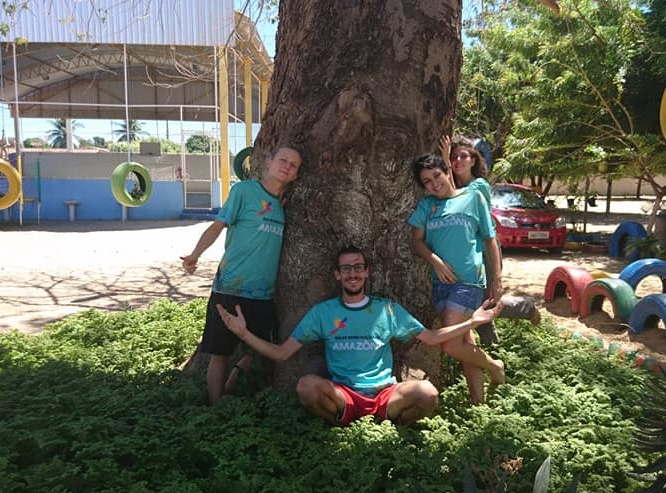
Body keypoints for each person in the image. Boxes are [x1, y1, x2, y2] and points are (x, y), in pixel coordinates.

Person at [216, 246, 504, 426]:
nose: (352, 273)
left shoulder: (386, 310)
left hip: (385, 394)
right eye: (346, 268)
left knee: (427, 394)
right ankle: (343, 425)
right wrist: (243, 333)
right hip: (343, 394)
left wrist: (472, 322)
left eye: (358, 267)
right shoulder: (323, 312)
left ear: (366, 272)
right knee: (306, 387)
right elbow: (281, 353)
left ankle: (390, 426)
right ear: (337, 275)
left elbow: (430, 337)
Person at [181, 144, 302, 404]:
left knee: (255, 352)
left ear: (295, 175)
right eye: (283, 160)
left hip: (263, 295)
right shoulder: (243, 191)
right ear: (268, 162)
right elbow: (217, 227)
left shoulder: (284, 204)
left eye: (293, 165)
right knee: (219, 353)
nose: (287, 166)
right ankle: (215, 408)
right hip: (229, 288)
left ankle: (230, 389)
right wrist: (195, 254)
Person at [408, 154, 507, 404]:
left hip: (468, 281)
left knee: (450, 345)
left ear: (446, 172)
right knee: (464, 339)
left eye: (437, 175)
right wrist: (436, 261)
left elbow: (490, 239)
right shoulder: (427, 206)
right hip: (440, 283)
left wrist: (496, 277)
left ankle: (495, 366)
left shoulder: (472, 198)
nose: (434, 183)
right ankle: (478, 403)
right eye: (427, 181)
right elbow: (416, 241)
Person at [439, 135, 541, 344]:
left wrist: (496, 276)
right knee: (475, 306)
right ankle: (492, 347)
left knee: (485, 303)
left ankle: (526, 308)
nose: (457, 161)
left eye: (463, 156)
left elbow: (456, 197)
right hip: (466, 254)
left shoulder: (479, 186)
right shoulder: (452, 185)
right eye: (453, 157)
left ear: (473, 160)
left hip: (485, 252)